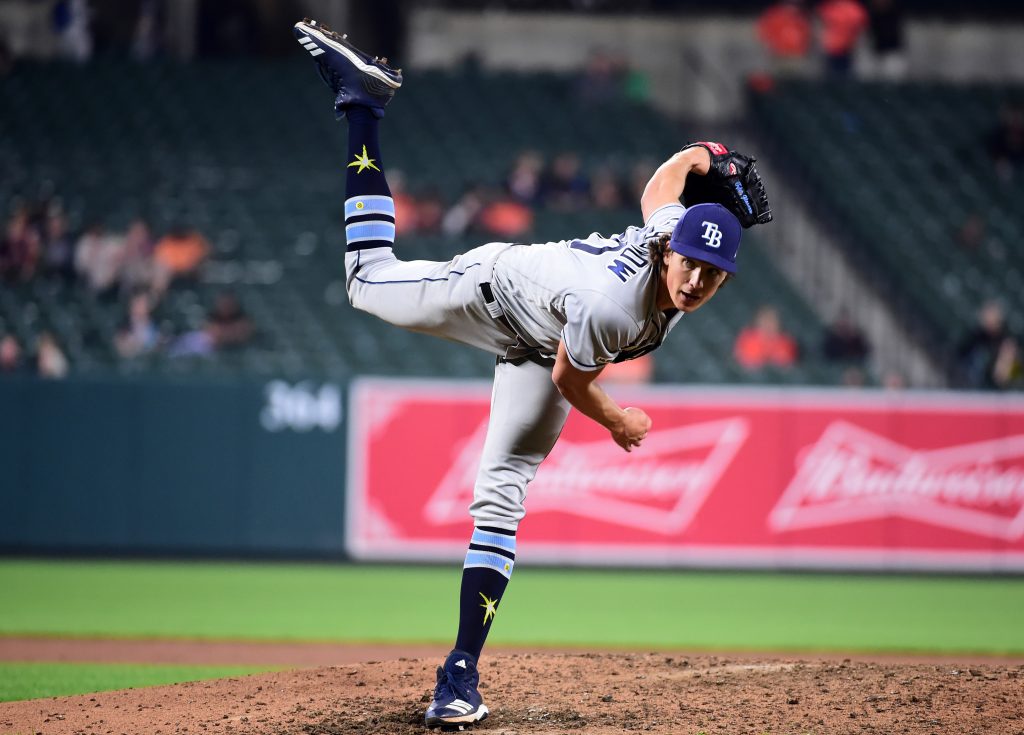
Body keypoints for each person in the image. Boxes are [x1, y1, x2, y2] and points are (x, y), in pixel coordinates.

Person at [292, 18, 771, 730]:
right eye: (689, 264)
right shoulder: (617, 304)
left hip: (539, 337)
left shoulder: (671, 231)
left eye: (712, 272)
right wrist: (618, 420)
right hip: (498, 292)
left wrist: (707, 151)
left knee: (502, 494)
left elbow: (668, 179)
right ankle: (363, 106)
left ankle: (460, 673)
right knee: (366, 278)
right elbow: (572, 382)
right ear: (669, 250)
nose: (696, 279)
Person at [734, 304, 799, 370]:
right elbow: (741, 363)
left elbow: (789, 367)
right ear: (757, 322)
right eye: (764, 321)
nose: (768, 325)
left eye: (772, 321)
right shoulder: (747, 339)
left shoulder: (786, 343)